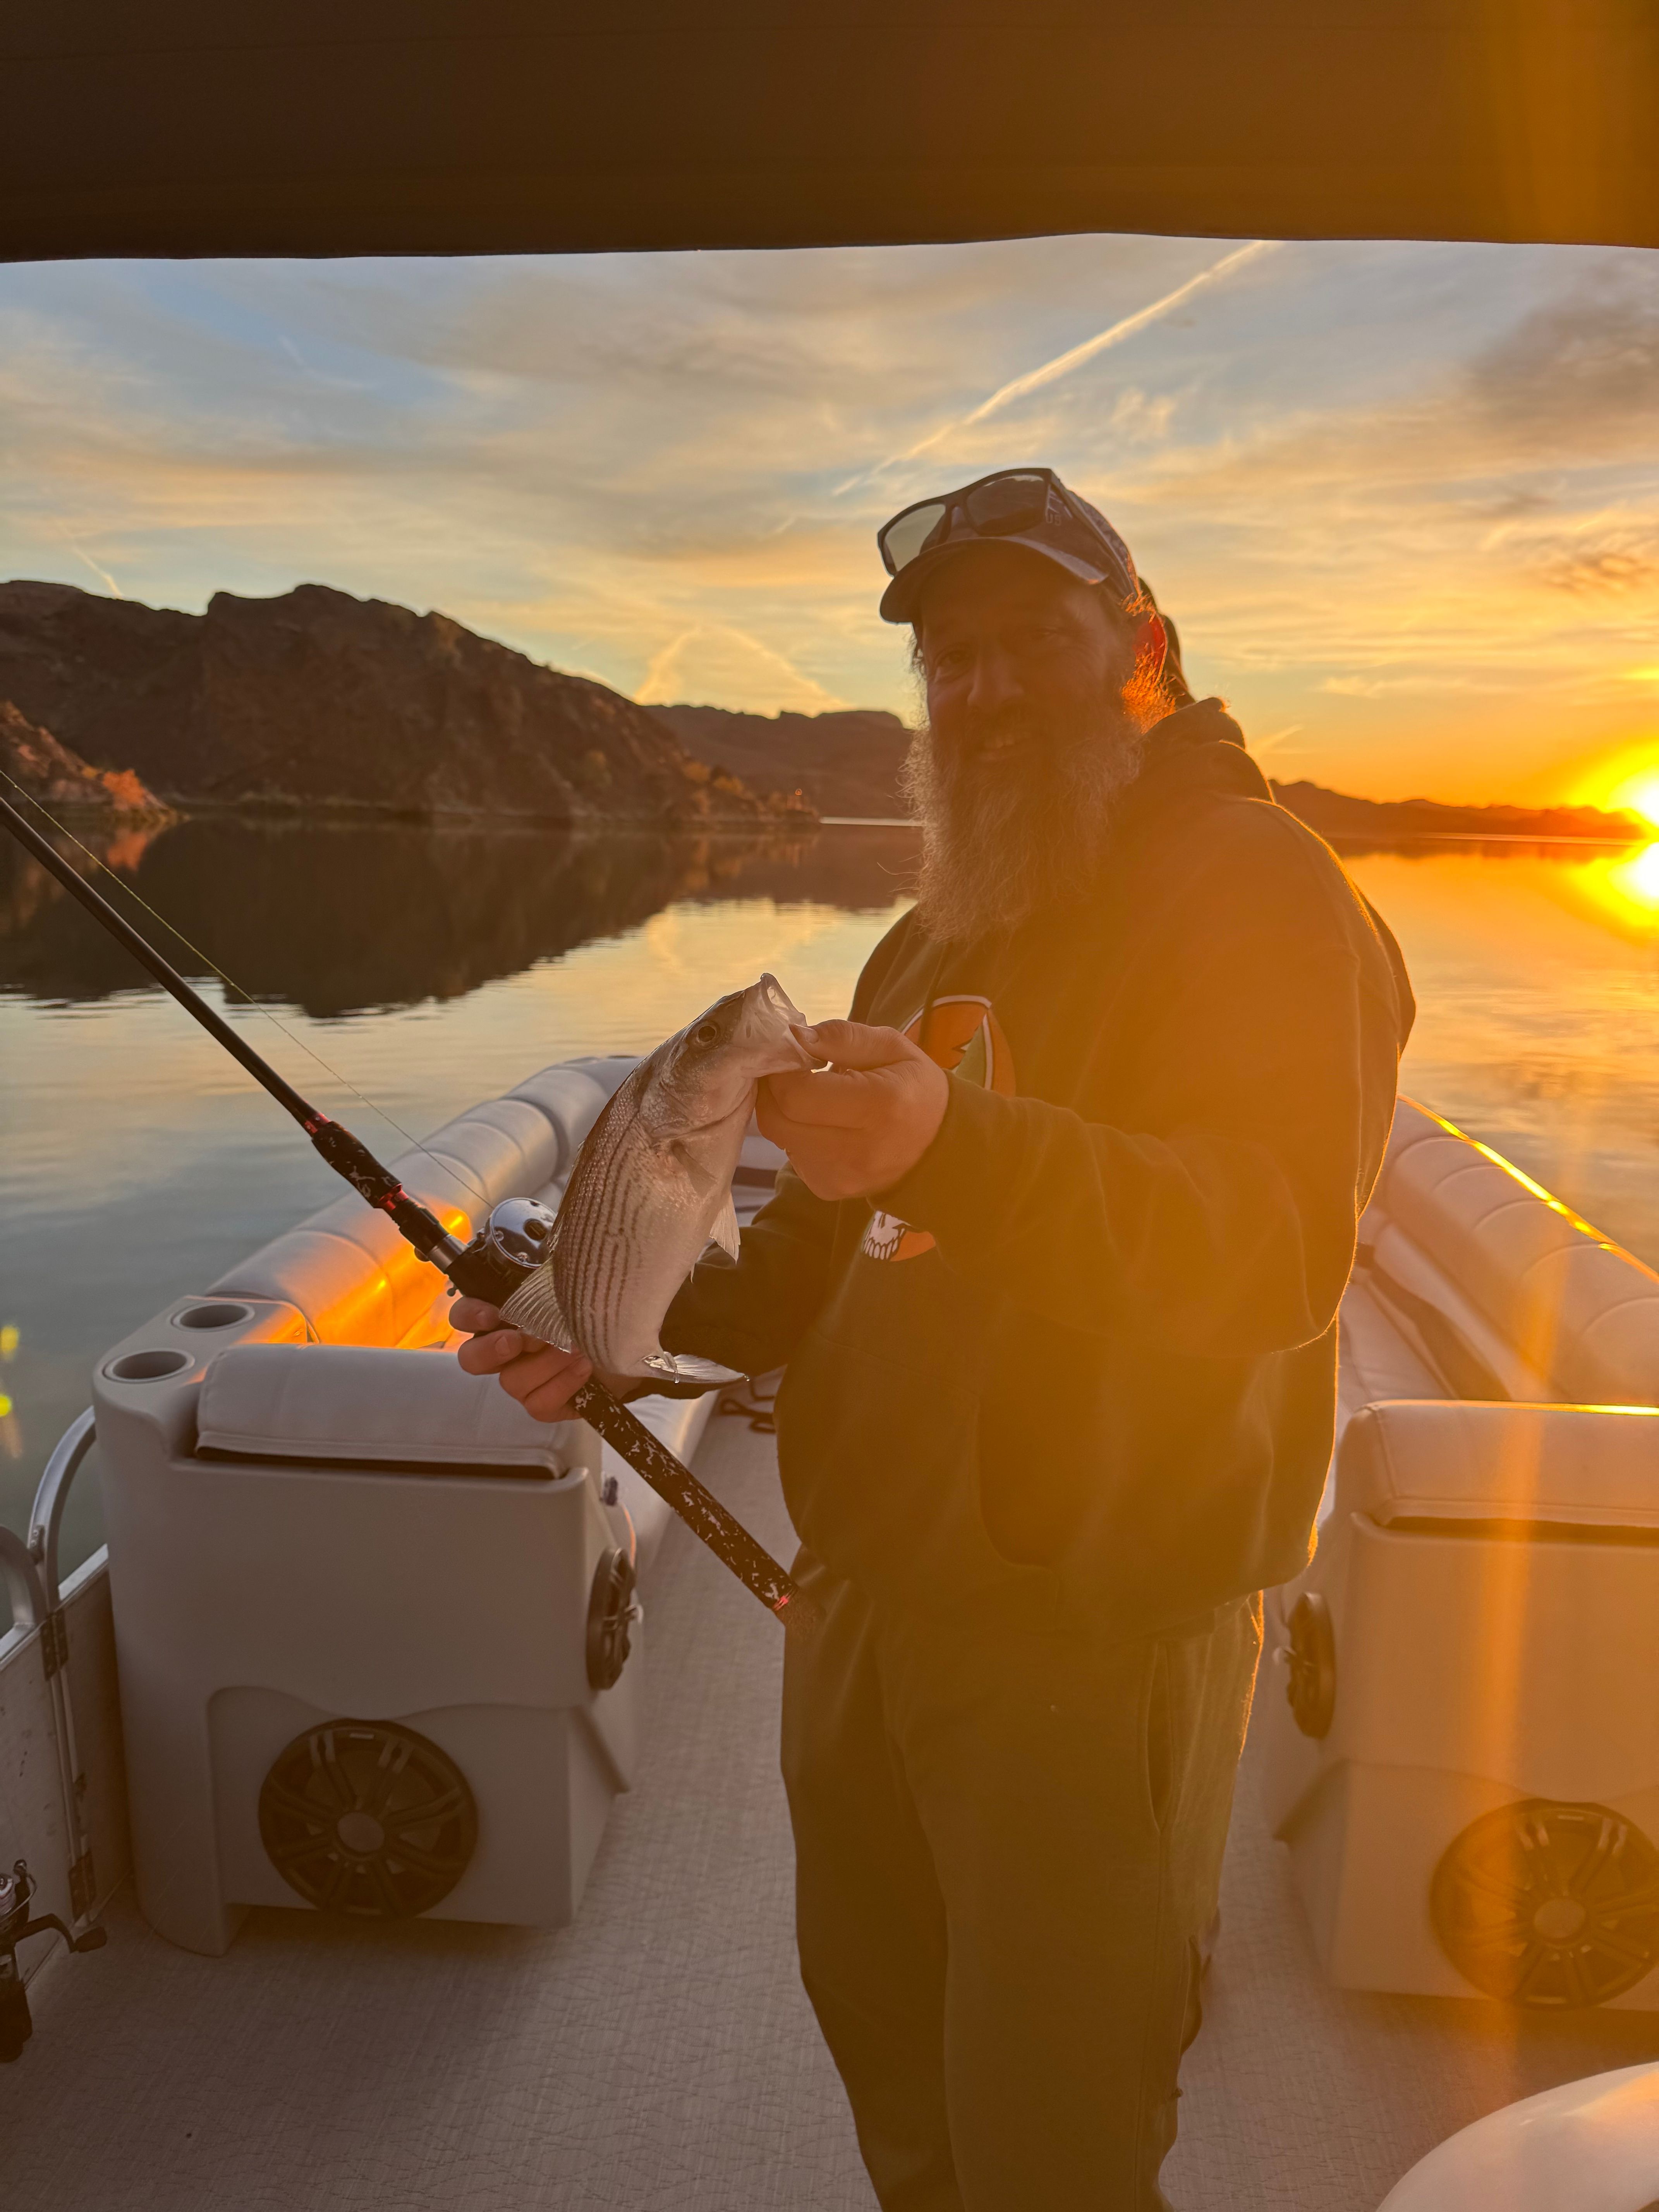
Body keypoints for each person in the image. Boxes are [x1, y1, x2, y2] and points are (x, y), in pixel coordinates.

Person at [454, 465, 1414, 2210]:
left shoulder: (1263, 891)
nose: (980, 692)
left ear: (1141, 649)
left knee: (1058, 2135)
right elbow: (814, 1263)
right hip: (860, 1606)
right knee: (896, 2069)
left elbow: (1272, 1252)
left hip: (1092, 1638)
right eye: (947, 659)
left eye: (1028, 641)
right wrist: (609, 1324)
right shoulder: (932, 932)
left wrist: (957, 1146)